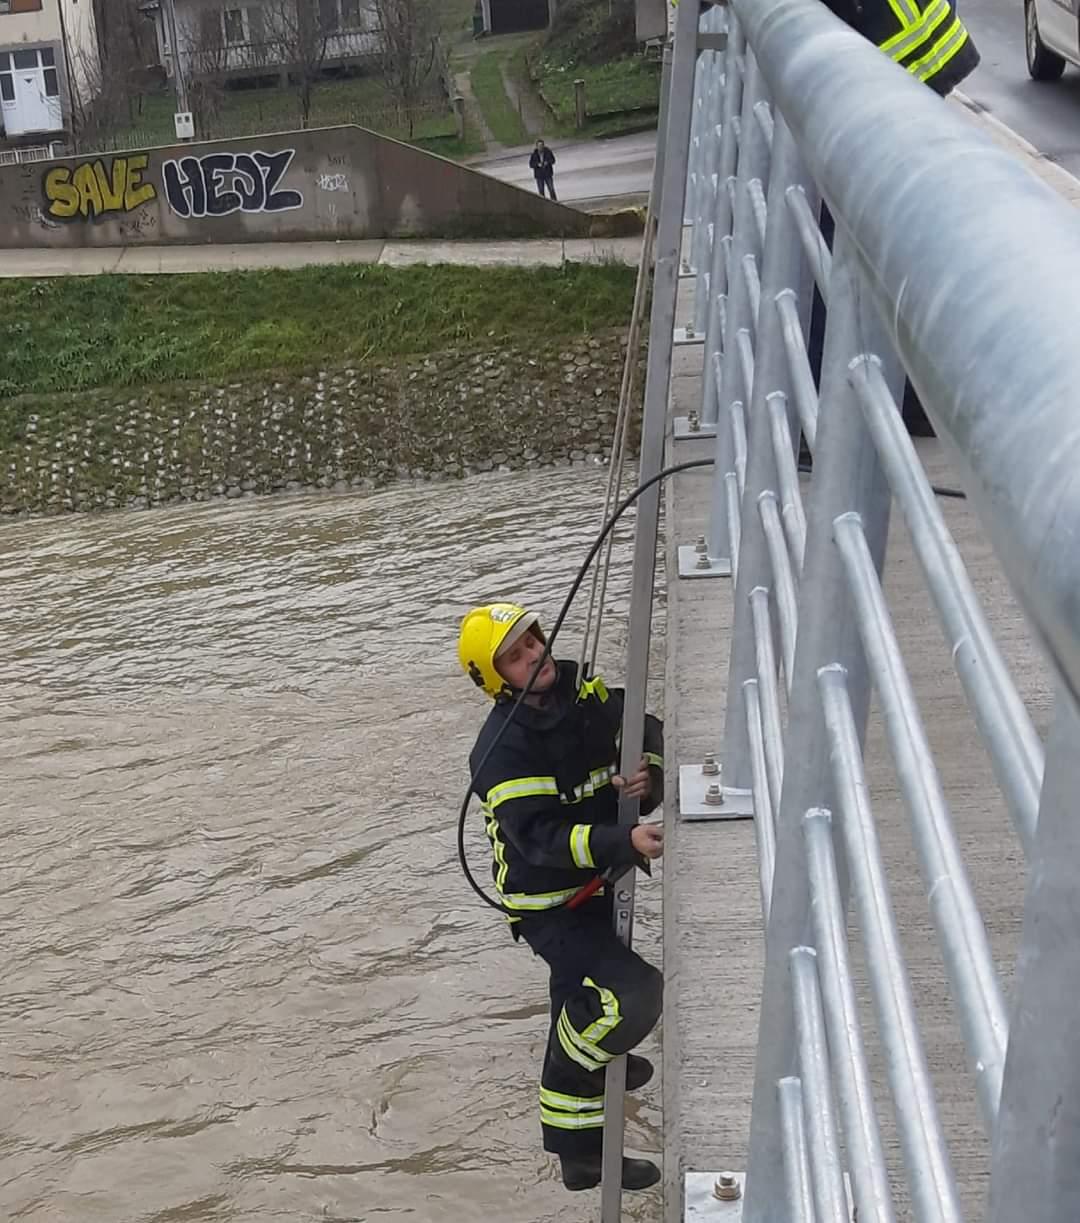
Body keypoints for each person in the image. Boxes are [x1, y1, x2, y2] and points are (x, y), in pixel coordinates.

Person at [458, 602, 664, 1193]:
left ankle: (578, 1157)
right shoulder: (501, 749)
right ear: (494, 679)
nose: (536, 656)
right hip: (550, 905)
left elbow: (642, 725)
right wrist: (621, 838)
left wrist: (648, 773)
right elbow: (542, 839)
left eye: (534, 641)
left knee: (581, 1003)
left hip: (597, 880)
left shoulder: (582, 691)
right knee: (632, 995)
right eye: (517, 656)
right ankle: (585, 1071)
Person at [807, 0, 981, 438]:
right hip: (902, 48)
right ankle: (910, 396)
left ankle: (829, 418)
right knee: (902, 233)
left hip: (889, 53)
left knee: (839, 239)